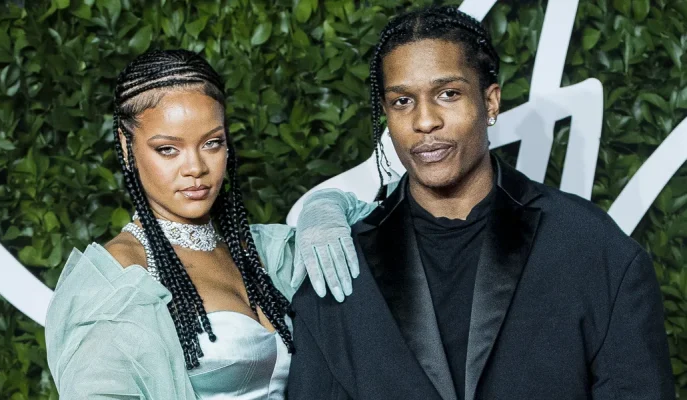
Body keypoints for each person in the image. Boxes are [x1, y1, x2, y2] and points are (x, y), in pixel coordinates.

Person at [287, 5, 674, 400]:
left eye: (448, 94)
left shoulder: (590, 245)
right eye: (402, 101)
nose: (424, 121)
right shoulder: (338, 270)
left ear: (490, 102)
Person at [45, 49, 375, 399]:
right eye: (168, 149)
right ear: (128, 147)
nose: (196, 168)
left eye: (212, 143)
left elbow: (394, 230)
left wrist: (325, 204)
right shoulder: (119, 282)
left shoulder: (260, 252)